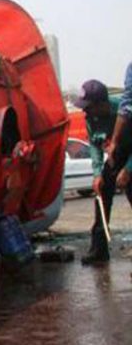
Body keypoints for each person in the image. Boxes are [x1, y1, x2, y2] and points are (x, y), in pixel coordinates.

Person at [73, 78, 132, 265]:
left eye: (88, 106)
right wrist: (97, 173)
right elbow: (94, 145)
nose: (84, 110)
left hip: (130, 157)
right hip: (115, 158)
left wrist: (128, 170)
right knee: (101, 197)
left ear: (101, 104)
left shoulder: (124, 112)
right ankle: (99, 250)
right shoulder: (91, 118)